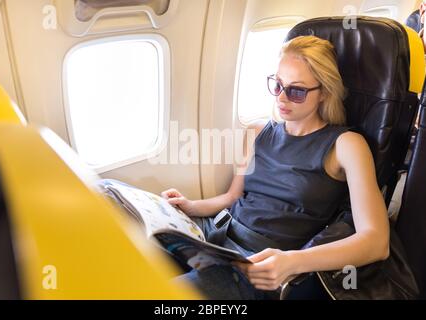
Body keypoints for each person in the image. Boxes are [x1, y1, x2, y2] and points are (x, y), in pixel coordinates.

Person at [161, 35, 389, 300]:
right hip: (216, 233)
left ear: (325, 91)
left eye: (296, 90)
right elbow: (232, 198)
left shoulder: (346, 145)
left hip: (261, 261)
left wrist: (293, 262)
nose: (282, 98)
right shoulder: (258, 131)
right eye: (278, 85)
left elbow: (376, 241)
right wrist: (189, 206)